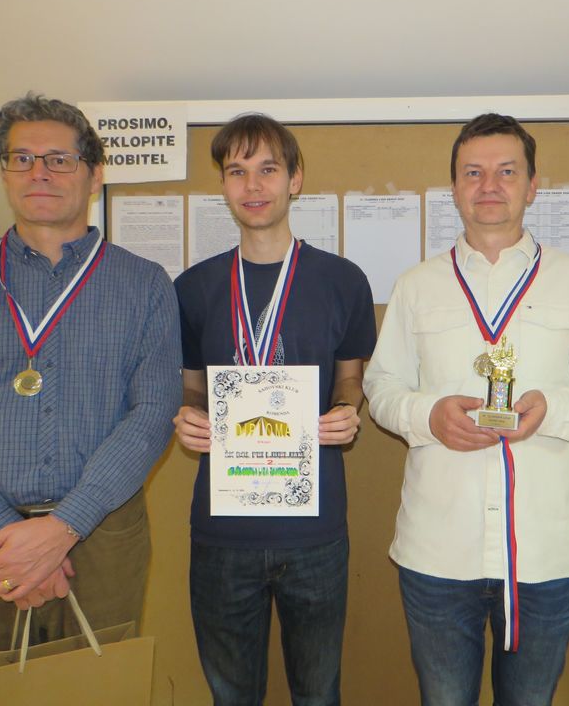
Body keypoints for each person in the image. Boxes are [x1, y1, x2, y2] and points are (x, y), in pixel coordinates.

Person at [0, 93, 181, 657]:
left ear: (94, 174)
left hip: (101, 535)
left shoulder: (145, 284)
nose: (38, 172)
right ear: (4, 172)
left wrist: (64, 527)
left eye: (59, 159)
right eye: (21, 158)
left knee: (97, 688)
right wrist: (2, 536)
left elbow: (151, 415)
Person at [363, 113, 569, 705]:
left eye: (507, 172)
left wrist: (553, 408)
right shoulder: (416, 286)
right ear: (454, 188)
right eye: (473, 173)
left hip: (546, 550)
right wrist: (428, 417)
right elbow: (380, 387)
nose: (489, 185)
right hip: (438, 550)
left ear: (532, 186)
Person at [172, 113, 377, 706]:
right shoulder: (193, 288)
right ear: (222, 184)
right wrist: (189, 415)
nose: (253, 185)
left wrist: (346, 410)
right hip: (222, 532)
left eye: (268, 169)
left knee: (318, 693)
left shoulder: (343, 281)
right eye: (237, 171)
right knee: (232, 697)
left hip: (314, 530)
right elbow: (192, 387)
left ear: (295, 179)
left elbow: (350, 378)